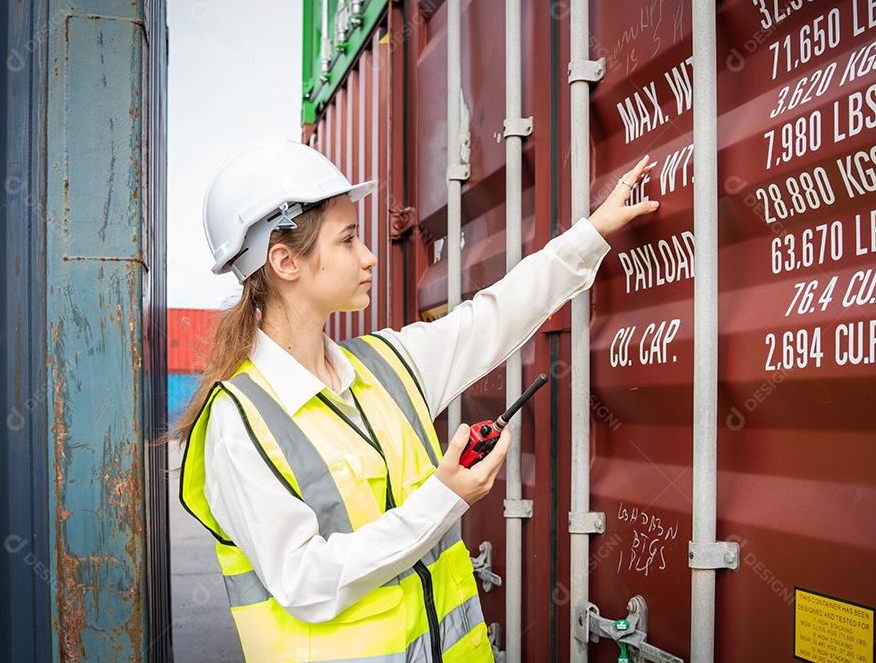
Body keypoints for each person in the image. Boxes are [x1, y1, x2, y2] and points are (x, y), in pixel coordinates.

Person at [176, 137, 658, 663]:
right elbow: (306, 582)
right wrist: (444, 495)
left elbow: (492, 319)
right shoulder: (238, 421)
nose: (369, 255)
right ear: (285, 261)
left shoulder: (385, 364)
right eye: (348, 240)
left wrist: (590, 234)